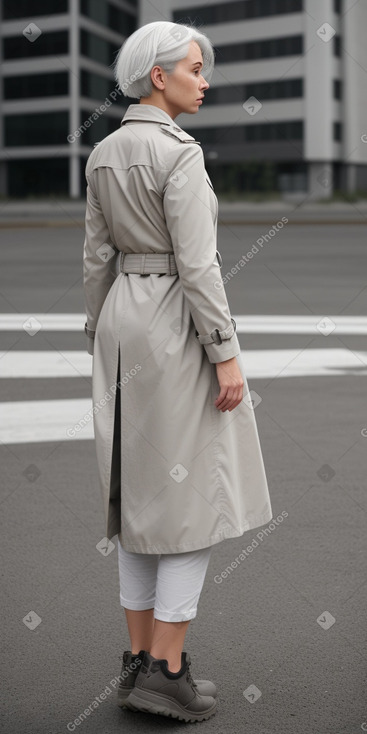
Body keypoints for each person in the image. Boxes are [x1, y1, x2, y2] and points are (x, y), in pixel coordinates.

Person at [82, 19, 273, 724]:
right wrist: (224, 353)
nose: (205, 79)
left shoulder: (104, 151)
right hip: (172, 323)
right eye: (195, 68)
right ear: (157, 76)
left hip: (122, 323)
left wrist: (99, 339)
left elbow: (95, 260)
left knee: (137, 501)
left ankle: (137, 664)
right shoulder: (179, 153)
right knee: (189, 506)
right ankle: (166, 670)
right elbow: (198, 267)